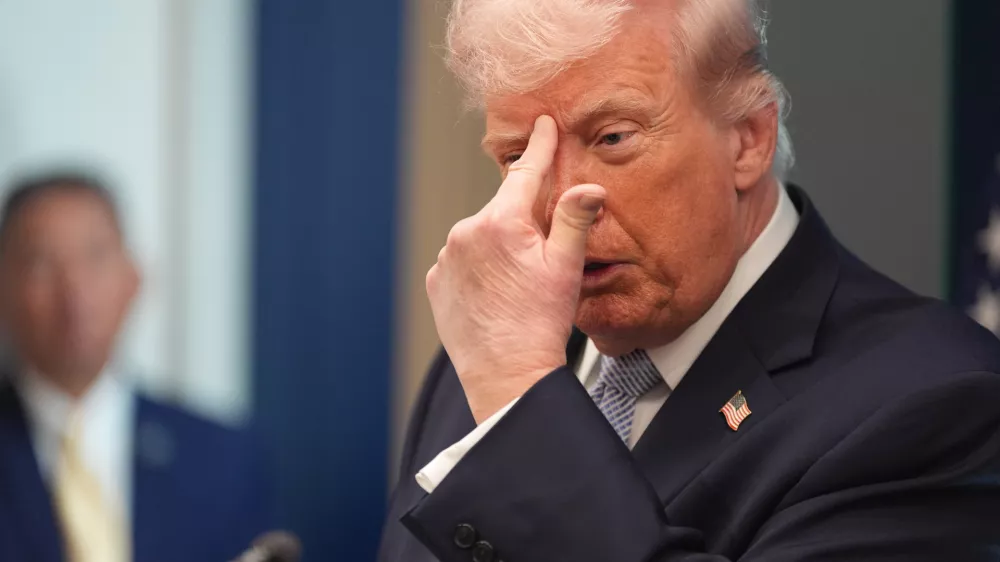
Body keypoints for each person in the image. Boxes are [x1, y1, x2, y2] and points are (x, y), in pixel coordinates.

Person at [378, 1, 1000, 560]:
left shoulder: (934, 404)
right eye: (518, 156)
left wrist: (520, 399)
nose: (558, 199)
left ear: (748, 140)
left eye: (614, 137)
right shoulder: (487, 359)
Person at [0, 173, 273, 562]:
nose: (74, 289)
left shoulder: (224, 459)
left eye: (95, 256)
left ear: (134, 278)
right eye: (42, 262)